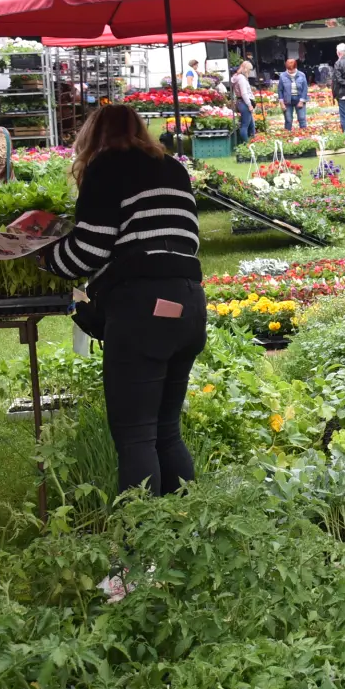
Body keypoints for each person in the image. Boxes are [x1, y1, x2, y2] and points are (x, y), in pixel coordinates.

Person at [38, 105, 205, 498]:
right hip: (188, 303)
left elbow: (88, 250)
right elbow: (188, 239)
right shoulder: (173, 168)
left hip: (141, 309)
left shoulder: (106, 167)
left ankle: (142, 547)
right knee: (167, 433)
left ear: (91, 137)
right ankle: (189, 531)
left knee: (135, 439)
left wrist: (43, 256)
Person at [277, 58, 308, 131]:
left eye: (292, 70)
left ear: (295, 67)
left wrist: (302, 101)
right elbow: (280, 90)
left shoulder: (301, 75)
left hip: (299, 98)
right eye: (289, 70)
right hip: (287, 100)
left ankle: (304, 135)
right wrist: (281, 103)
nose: (290, 71)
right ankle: (287, 135)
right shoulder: (282, 76)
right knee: (288, 120)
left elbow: (305, 89)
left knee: (302, 118)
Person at [231, 61, 255, 142]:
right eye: (249, 70)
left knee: (251, 124)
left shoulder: (236, 77)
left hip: (241, 102)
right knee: (245, 126)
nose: (250, 72)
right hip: (244, 103)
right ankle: (246, 145)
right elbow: (244, 93)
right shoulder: (241, 79)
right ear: (246, 69)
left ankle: (252, 141)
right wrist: (249, 105)